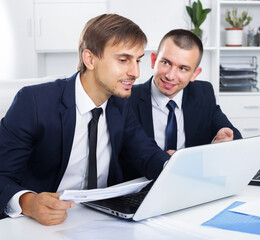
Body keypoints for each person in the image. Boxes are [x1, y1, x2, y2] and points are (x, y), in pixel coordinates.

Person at [0, 14, 170, 226]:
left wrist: (174, 167)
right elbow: (2, 175)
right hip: (45, 222)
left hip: (101, 218)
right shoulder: (33, 102)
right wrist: (28, 202)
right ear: (90, 59)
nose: (135, 72)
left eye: (138, 60)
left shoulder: (120, 103)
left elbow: (145, 152)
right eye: (123, 60)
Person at [122, 29, 242, 179]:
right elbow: (129, 157)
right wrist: (169, 162)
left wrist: (224, 138)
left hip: (192, 183)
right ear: (154, 60)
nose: (170, 76)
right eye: (165, 63)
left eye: (183, 68)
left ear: (194, 74)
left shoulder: (203, 93)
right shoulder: (127, 99)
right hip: (144, 188)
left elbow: (234, 136)